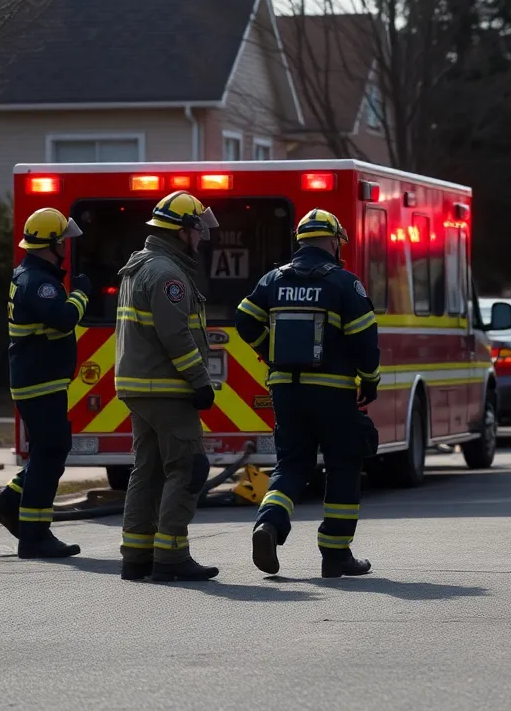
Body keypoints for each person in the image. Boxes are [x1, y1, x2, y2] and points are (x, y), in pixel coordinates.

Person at [236, 209, 381, 578]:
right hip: (332, 394)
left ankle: (268, 524)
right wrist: (370, 380)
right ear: (333, 242)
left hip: (286, 391)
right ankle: (335, 555)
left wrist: (270, 350)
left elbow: (244, 320)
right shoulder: (345, 284)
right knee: (344, 465)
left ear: (301, 241)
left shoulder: (272, 280)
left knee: (291, 465)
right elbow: (365, 340)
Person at [114, 191, 220, 583]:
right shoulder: (167, 274)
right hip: (166, 388)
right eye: (197, 230)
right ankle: (172, 557)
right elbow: (176, 335)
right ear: (182, 231)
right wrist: (199, 380)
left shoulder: (140, 267)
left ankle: (137, 556)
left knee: (149, 470)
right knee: (189, 467)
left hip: (140, 388)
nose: (201, 238)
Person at [0, 208, 90, 558]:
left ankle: (10, 500)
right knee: (51, 453)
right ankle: (35, 535)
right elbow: (62, 320)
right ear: (53, 243)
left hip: (37, 381)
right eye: (64, 241)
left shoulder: (30, 274)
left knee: (48, 450)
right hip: (40, 383)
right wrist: (81, 295)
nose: (67, 246)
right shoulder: (41, 283)